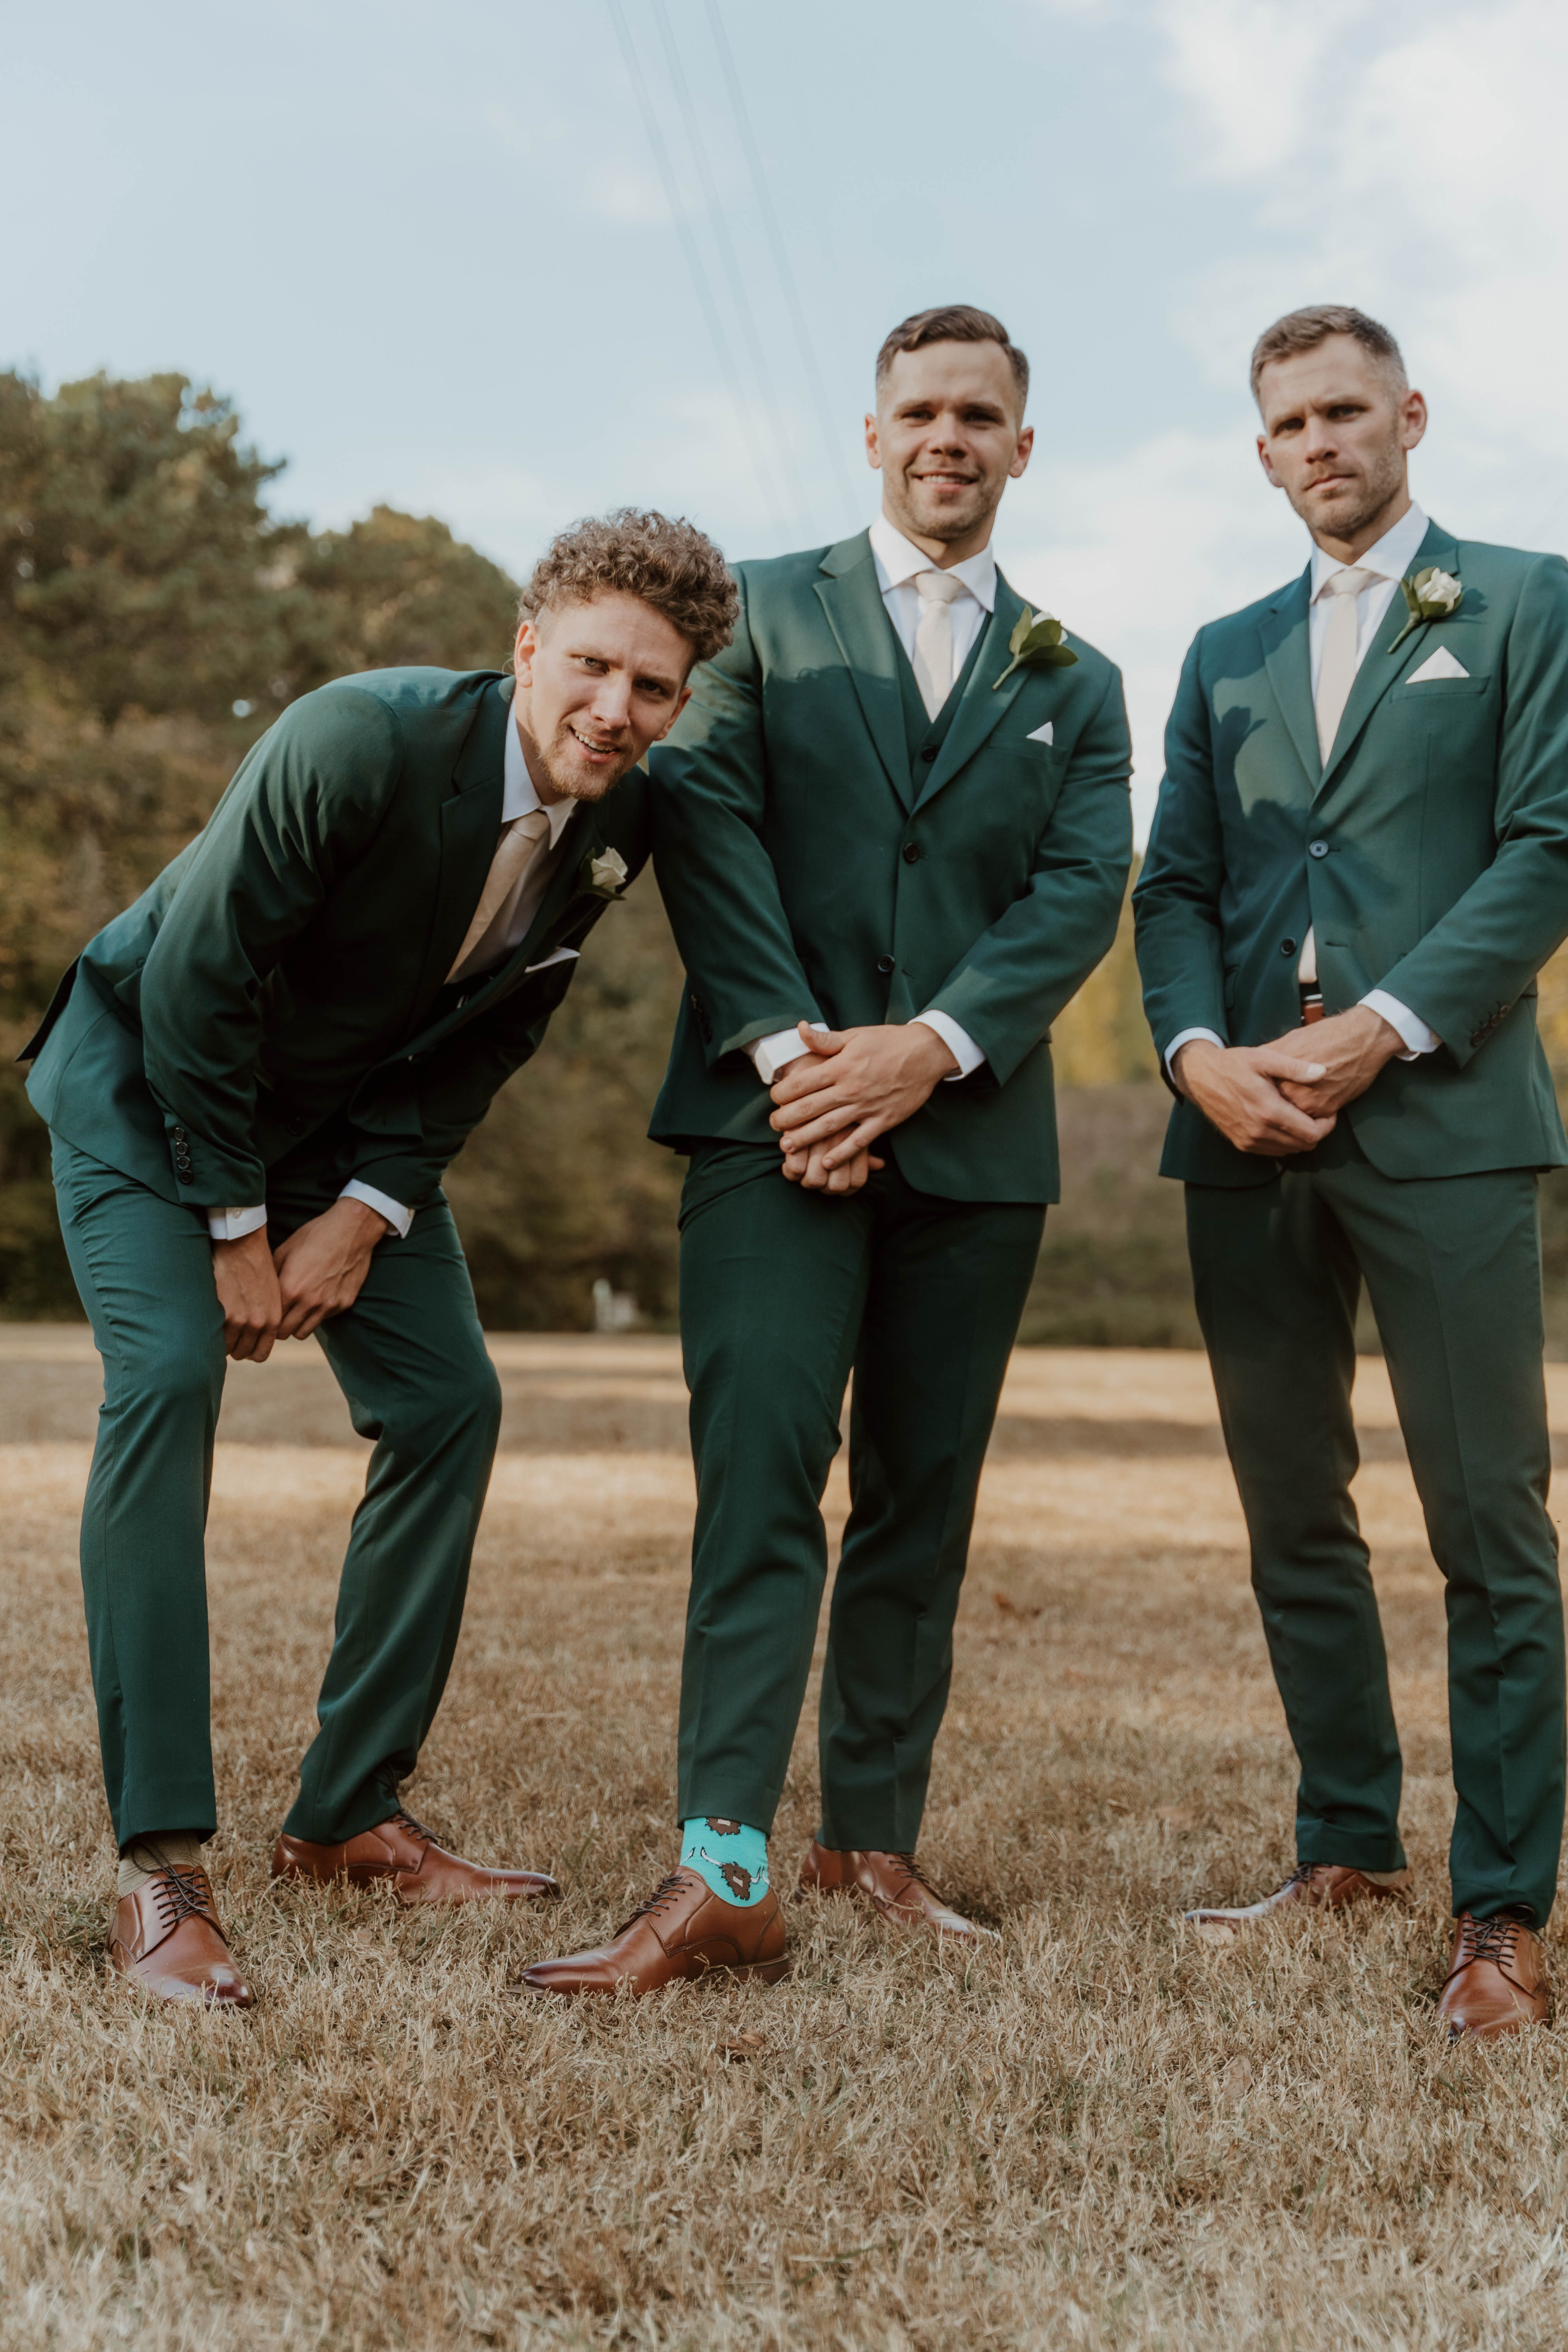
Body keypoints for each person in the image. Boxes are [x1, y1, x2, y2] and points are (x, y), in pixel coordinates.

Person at [22, 509, 738, 2008]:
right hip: (154, 1093)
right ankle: (158, 1871)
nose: (617, 709)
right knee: (164, 1382)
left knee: (449, 1405)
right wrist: (233, 1227)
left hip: (339, 1139)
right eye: (594, 666)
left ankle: (348, 1817)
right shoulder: (356, 737)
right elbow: (198, 981)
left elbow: (494, 1033)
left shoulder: (625, 826)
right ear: (527, 645)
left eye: (654, 689)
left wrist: (364, 1209)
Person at [526, 307, 1132, 1998]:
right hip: (763, 1125)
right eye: (919, 409)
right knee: (762, 1492)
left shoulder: (1076, 676)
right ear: (871, 437)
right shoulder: (753, 617)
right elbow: (701, 812)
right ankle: (720, 1872)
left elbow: (1081, 890)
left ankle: (870, 1847)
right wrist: (802, 1057)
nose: (948, 434)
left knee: (920, 1509)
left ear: (1023, 446)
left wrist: (925, 1051)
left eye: (981, 414)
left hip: (976, 1145)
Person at [1134, 304, 1568, 2039]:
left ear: (1408, 415)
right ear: (1260, 455)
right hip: (1242, 1132)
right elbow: (1170, 888)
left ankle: (1498, 1914)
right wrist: (1193, 1057)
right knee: (1293, 1512)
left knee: (1489, 1525)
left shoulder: (1526, 599)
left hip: (1443, 1117)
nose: (1318, 441)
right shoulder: (1221, 648)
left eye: (1343, 410)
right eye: (1286, 423)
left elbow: (1550, 843)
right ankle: (1343, 1846)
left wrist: (1381, 1025)